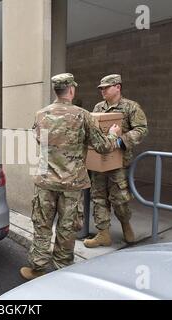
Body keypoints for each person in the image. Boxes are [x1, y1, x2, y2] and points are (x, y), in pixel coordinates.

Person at [20, 73, 122, 281]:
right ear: (72, 90)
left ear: (55, 91)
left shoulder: (41, 114)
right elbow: (103, 147)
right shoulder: (83, 116)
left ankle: (37, 267)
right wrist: (114, 133)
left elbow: (41, 141)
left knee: (42, 224)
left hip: (45, 181)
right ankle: (62, 268)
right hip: (72, 183)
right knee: (67, 227)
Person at [84, 74, 148, 248]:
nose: (102, 91)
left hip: (118, 162)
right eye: (101, 88)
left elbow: (141, 129)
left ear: (118, 87)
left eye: (106, 87)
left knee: (119, 198)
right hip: (99, 160)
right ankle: (103, 233)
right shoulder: (98, 107)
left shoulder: (130, 107)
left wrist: (122, 140)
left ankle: (126, 226)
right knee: (98, 197)